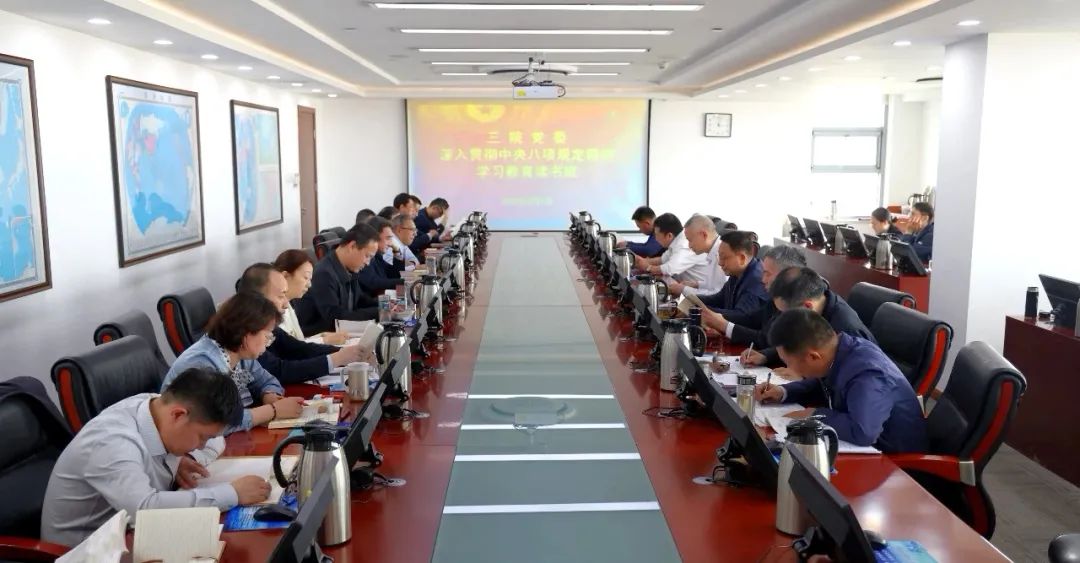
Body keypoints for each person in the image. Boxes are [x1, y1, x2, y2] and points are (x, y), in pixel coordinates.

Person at [41, 368, 272, 546]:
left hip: (132, 536)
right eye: (202, 437)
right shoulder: (112, 442)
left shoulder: (157, 404)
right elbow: (144, 510)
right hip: (87, 550)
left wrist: (184, 458)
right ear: (178, 415)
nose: (202, 445)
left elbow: (217, 441)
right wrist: (232, 494)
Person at [754, 309, 928, 453]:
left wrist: (815, 415)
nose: (788, 368)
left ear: (814, 356)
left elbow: (863, 432)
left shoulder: (867, 373)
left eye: (789, 362)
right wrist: (784, 392)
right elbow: (822, 384)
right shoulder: (839, 350)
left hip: (896, 462)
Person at [162, 293, 303, 434]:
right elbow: (214, 422)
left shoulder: (240, 354)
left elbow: (267, 380)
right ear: (246, 334)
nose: (268, 342)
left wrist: (269, 395)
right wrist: (272, 410)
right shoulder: (202, 364)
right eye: (267, 335)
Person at [238, 263, 363, 385]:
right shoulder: (246, 332)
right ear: (258, 299)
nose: (286, 304)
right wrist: (337, 359)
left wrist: (348, 353)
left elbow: (299, 349)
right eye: (281, 296)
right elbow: (278, 371)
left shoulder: (267, 325)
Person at [743, 266, 874, 369]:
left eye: (785, 313)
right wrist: (766, 355)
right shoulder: (813, 307)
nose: (782, 319)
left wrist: (803, 376)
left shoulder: (847, 329)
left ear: (807, 306)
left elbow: (849, 376)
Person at [298, 223, 381, 334]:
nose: (368, 263)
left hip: (343, 333)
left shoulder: (349, 268)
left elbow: (361, 300)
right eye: (367, 256)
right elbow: (336, 318)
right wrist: (379, 312)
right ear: (352, 246)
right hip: (320, 337)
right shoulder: (324, 274)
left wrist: (387, 306)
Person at [719, 245, 807, 347]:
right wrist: (715, 317)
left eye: (768, 274)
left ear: (788, 276)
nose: (763, 280)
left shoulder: (800, 305)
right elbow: (751, 319)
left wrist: (722, 325)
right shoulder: (776, 298)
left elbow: (766, 340)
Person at [272, 249, 347, 344]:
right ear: (286, 276)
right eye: (306, 277)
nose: (309, 285)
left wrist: (320, 336)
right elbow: (286, 348)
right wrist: (324, 340)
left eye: (310, 279)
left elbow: (297, 341)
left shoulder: (289, 304)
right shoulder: (272, 308)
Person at [697, 230, 769, 326]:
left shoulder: (756, 280)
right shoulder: (737, 272)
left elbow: (741, 316)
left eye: (724, 258)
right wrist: (693, 300)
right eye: (719, 257)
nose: (720, 263)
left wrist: (701, 310)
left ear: (742, 258)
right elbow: (718, 299)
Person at [633, 212, 708, 284]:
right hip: (685, 285)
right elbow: (662, 259)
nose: (655, 239)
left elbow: (670, 269)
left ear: (669, 236)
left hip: (700, 289)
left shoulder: (683, 244)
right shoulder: (676, 241)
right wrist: (643, 261)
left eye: (657, 235)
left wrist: (648, 267)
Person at [668, 214, 728, 297]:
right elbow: (713, 284)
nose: (689, 246)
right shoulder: (713, 250)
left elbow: (717, 295)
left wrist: (683, 290)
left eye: (690, 240)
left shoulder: (720, 253)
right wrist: (696, 284)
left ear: (704, 235)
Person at [356, 216, 404, 296]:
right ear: (374, 237)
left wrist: (396, 251)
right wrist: (405, 282)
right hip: (372, 300)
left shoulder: (377, 256)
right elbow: (373, 283)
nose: (390, 243)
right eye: (388, 238)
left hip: (381, 298)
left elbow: (393, 274)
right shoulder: (364, 256)